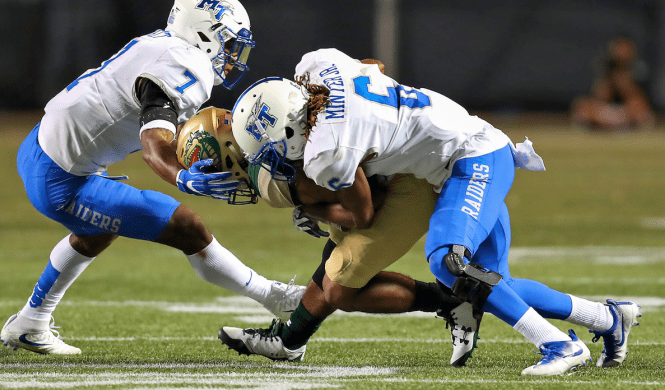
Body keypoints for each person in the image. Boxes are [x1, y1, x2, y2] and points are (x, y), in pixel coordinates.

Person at [227, 48, 642, 376]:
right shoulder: (317, 66)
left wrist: (311, 205)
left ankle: (560, 345)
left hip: (470, 159)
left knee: (448, 262)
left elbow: (363, 216)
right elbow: (374, 66)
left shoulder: (326, 153)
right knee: (493, 286)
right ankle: (608, 318)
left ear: (289, 129)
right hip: (474, 144)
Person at [0, 0, 305, 355]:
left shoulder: (162, 44)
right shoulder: (185, 64)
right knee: (186, 226)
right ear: (203, 33)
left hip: (39, 147)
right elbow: (154, 146)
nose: (233, 55)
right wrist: (181, 176)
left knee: (98, 231)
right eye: (228, 42)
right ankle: (272, 296)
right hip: (60, 177)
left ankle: (31, 321)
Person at [174, 105, 479, 366]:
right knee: (334, 256)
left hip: (409, 184)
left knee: (339, 288)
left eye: (212, 170)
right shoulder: (273, 132)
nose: (216, 181)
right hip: (406, 162)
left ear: (229, 150)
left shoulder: (272, 178)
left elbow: (366, 210)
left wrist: (312, 210)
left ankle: (453, 302)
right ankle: (289, 342)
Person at [570, 36, 655, 131]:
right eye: (618, 48)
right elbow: (600, 98)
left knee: (638, 107)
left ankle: (613, 125)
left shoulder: (639, 68)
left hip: (628, 111)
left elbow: (641, 102)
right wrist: (611, 81)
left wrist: (625, 85)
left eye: (625, 48)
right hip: (608, 111)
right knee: (581, 105)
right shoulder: (606, 67)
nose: (621, 52)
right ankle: (616, 125)